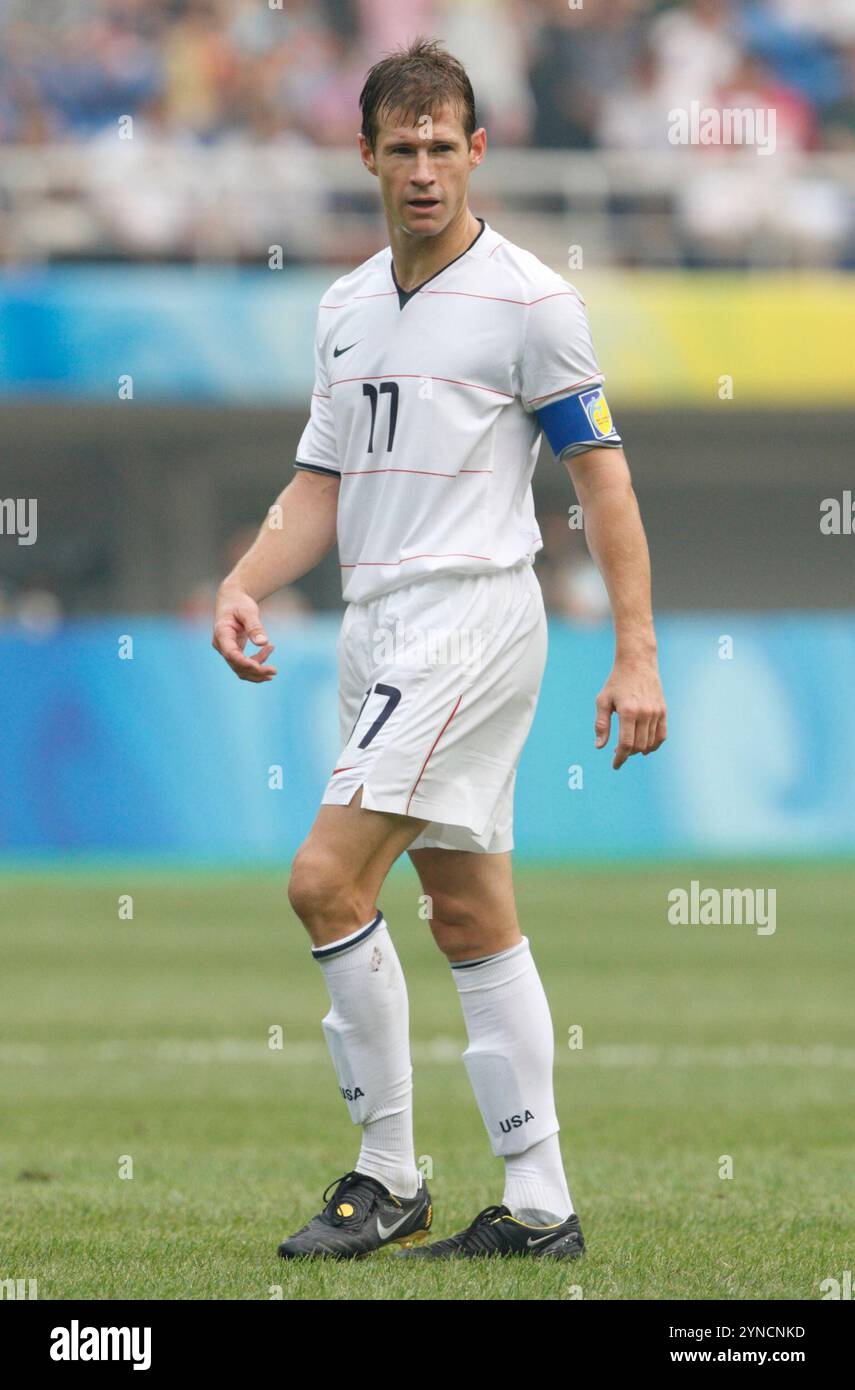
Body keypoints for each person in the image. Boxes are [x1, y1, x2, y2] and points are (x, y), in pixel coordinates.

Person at [212, 36, 667, 1261]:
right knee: (466, 913)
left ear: (478, 150)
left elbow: (603, 483)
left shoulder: (531, 300)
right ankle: (539, 1205)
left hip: (470, 615)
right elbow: (321, 482)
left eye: (442, 147)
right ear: (364, 153)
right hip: (376, 624)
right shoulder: (346, 306)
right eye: (399, 148)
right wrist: (247, 580)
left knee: (323, 879)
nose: (423, 170)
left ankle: (387, 1172)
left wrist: (636, 649)